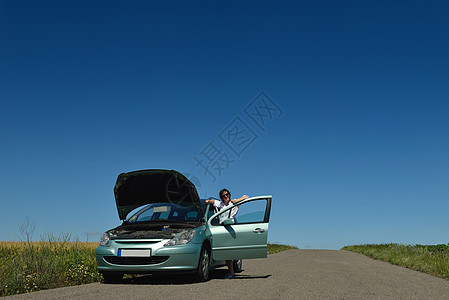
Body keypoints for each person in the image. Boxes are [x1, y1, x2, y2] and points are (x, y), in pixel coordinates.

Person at [205, 188, 248, 279]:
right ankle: (231, 273)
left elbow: (246, 197)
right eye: (224, 196)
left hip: (231, 227)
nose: (226, 196)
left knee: (230, 252)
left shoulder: (234, 204)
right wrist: (208, 201)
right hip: (221, 229)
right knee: (226, 253)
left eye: (227, 194)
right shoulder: (220, 204)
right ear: (221, 197)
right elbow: (212, 201)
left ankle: (232, 273)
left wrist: (237, 200)